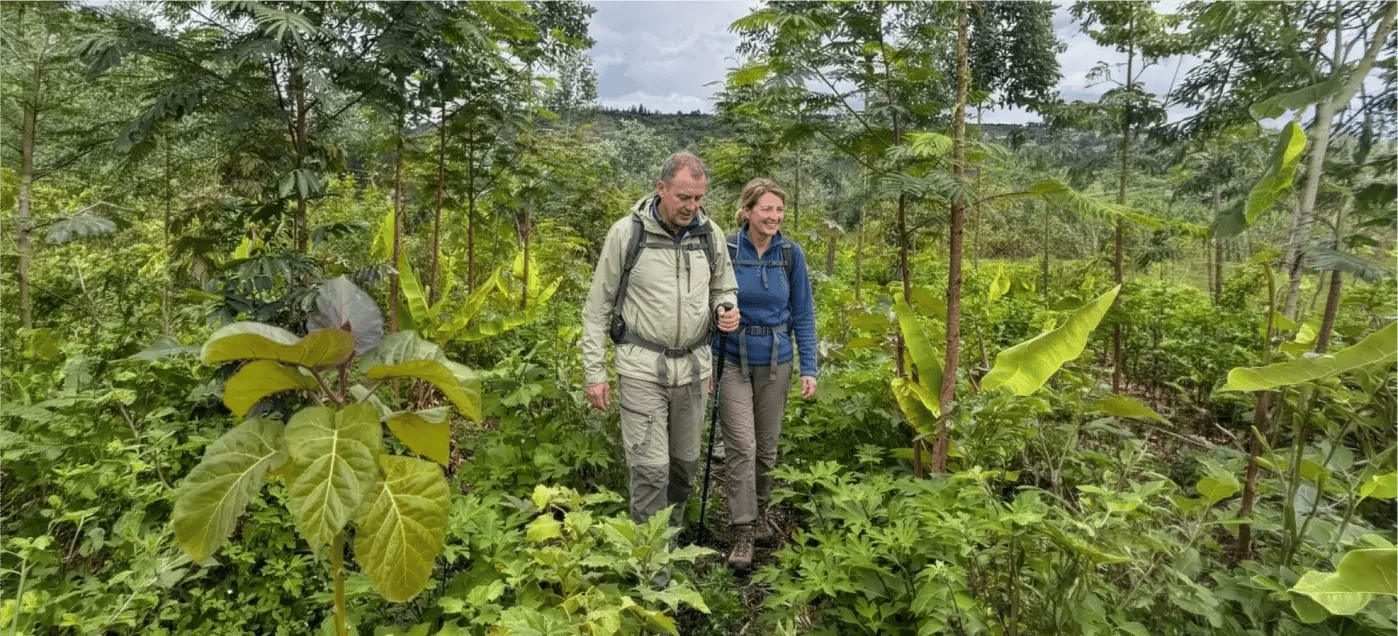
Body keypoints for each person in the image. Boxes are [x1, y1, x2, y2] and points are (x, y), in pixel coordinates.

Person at [581, 152, 741, 527]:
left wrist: (726, 307)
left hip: (694, 368)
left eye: (699, 198)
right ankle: (652, 573)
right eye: (684, 198)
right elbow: (596, 308)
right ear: (661, 189)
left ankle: (669, 548)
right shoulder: (627, 234)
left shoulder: (709, 234)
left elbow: (723, 286)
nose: (692, 207)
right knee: (651, 471)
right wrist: (595, 373)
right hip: (641, 368)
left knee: (684, 468)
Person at [715, 178, 818, 572]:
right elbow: (707, 301)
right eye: (766, 209)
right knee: (741, 444)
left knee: (767, 448)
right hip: (731, 357)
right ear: (747, 211)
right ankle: (743, 529)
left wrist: (809, 366)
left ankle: (758, 512)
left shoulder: (791, 254)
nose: (774, 217)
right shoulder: (724, 249)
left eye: (779, 210)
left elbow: (804, 314)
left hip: (776, 360)